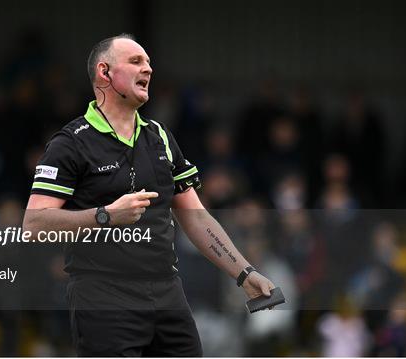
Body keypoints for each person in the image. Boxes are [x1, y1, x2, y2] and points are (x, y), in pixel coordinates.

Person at [23, 33, 275, 357]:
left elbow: (195, 216)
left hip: (167, 292)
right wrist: (106, 216)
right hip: (102, 295)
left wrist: (244, 273)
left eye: (149, 63)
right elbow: (34, 224)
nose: (148, 69)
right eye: (136, 61)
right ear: (105, 72)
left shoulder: (161, 137)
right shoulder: (70, 143)